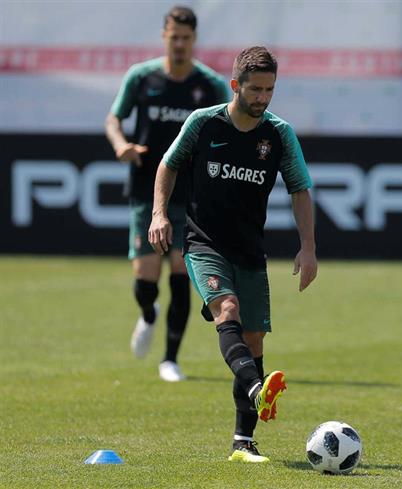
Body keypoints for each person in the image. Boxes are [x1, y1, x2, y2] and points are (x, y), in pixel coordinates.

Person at [148, 46, 317, 463]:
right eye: (255, 89)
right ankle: (258, 389)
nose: (263, 97)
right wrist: (159, 214)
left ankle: (243, 442)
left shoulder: (279, 134)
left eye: (270, 90)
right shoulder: (204, 123)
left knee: (254, 340)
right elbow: (168, 165)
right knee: (227, 310)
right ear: (236, 85)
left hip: (250, 249)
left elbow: (299, 189)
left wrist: (309, 247)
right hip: (203, 243)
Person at [105, 6, 230, 382]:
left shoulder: (210, 85)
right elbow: (114, 119)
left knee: (180, 273)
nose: (179, 44)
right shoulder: (142, 77)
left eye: (186, 38)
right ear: (164, 36)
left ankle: (170, 360)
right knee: (145, 281)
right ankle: (148, 314)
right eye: (174, 37)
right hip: (148, 190)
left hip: (190, 196)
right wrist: (121, 145)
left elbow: (227, 131)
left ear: (194, 40)